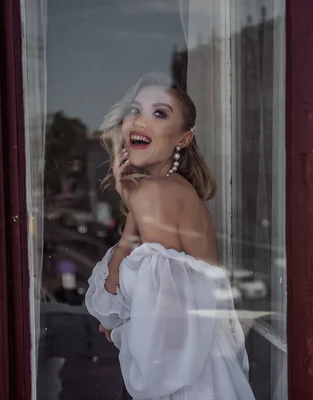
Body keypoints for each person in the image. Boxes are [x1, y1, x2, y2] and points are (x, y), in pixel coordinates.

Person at [85, 72, 255, 400]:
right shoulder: (168, 189)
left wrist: (119, 329)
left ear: (183, 139)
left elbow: (156, 321)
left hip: (184, 380)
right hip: (204, 371)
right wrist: (129, 198)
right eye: (135, 110)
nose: (140, 120)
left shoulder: (154, 192)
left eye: (159, 113)